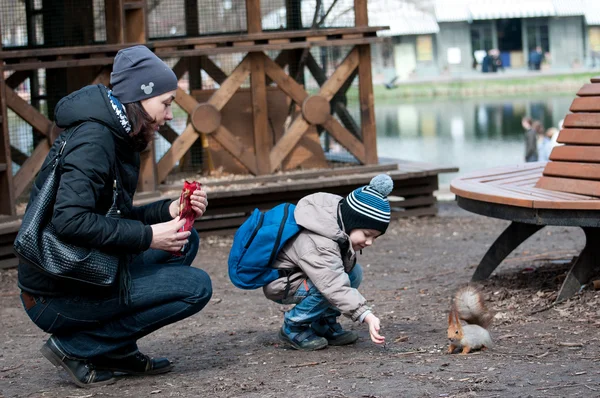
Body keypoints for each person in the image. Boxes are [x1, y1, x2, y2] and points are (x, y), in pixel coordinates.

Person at [18, 45, 212, 388]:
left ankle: (116, 350)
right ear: (141, 95)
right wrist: (150, 236)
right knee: (195, 288)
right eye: (166, 104)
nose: (169, 115)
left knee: (185, 241)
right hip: (55, 293)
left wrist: (166, 211)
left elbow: (112, 216)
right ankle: (76, 347)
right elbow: (71, 221)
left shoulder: (117, 131)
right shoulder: (95, 140)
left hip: (83, 271)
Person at [263, 174, 392, 351]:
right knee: (327, 286)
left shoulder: (337, 222)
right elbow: (333, 285)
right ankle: (293, 327)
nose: (369, 242)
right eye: (366, 234)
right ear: (352, 221)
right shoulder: (320, 242)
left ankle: (322, 323)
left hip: (301, 277)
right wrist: (366, 315)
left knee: (354, 273)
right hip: (281, 283)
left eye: (374, 237)